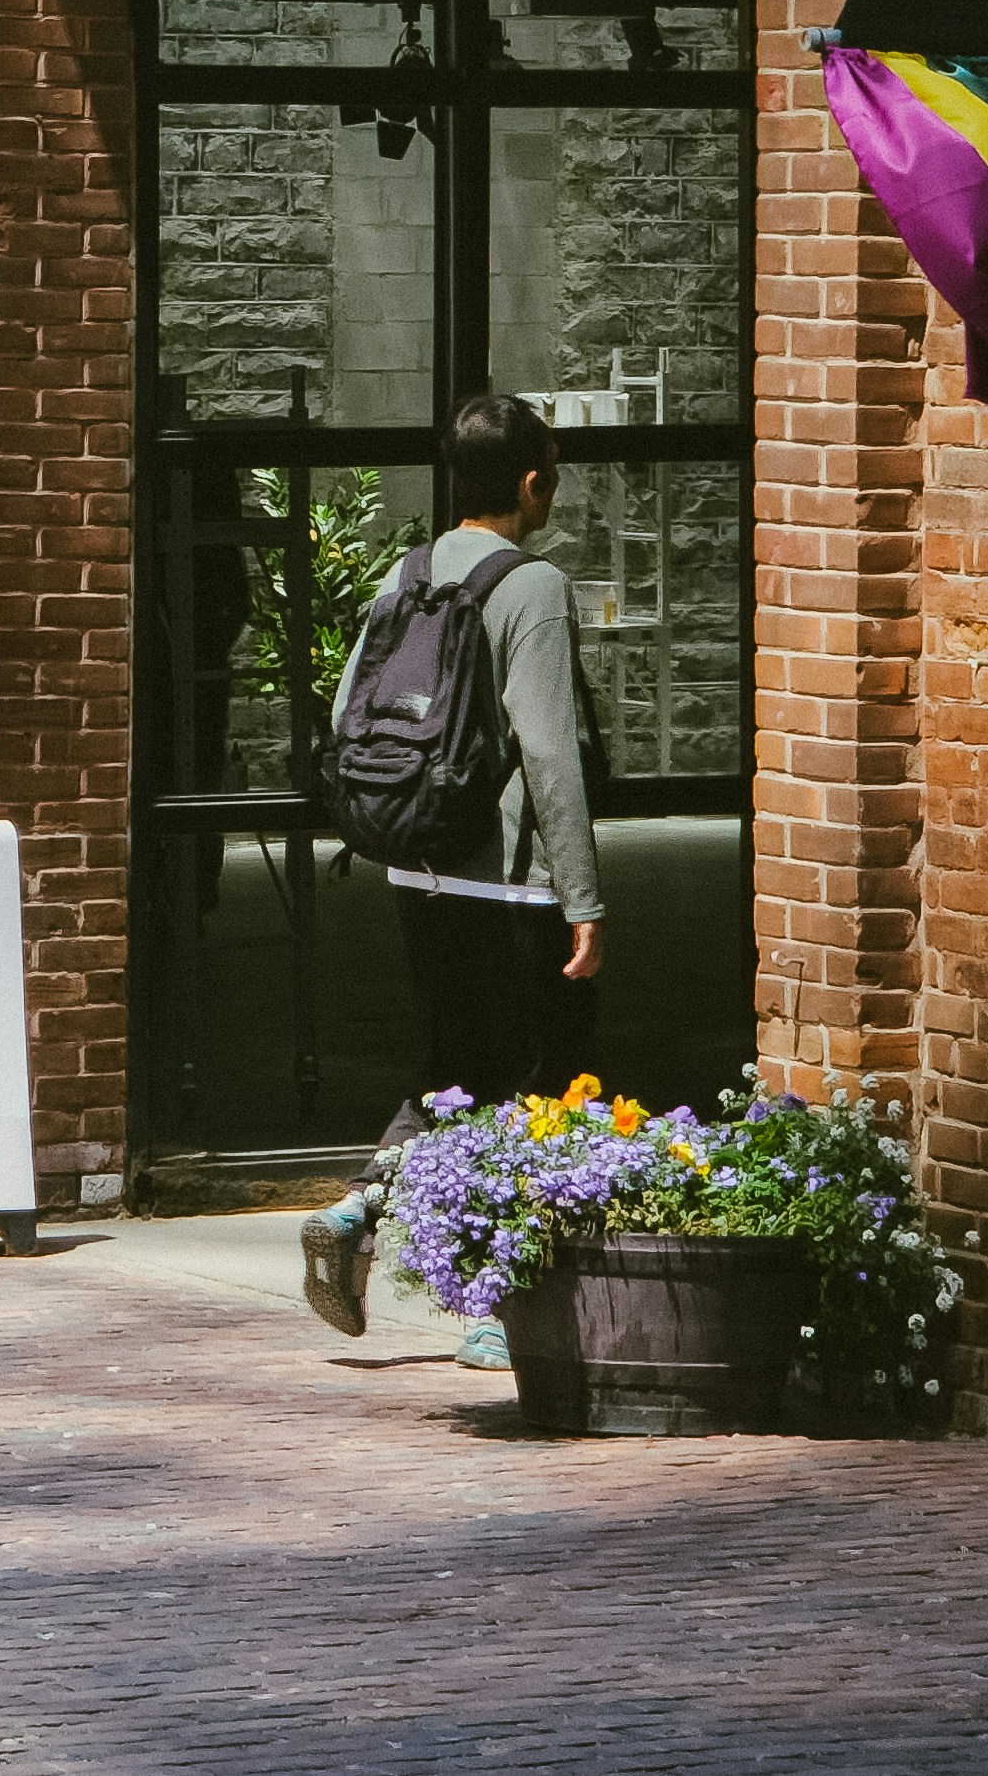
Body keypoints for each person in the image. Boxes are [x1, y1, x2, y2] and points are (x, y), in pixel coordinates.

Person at [306, 392, 606, 1360]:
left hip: (419, 872)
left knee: (446, 1080)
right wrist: (583, 898)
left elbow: (357, 706)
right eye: (549, 471)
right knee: (526, 1092)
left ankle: (359, 1208)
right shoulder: (533, 587)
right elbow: (551, 754)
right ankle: (488, 1304)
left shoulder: (409, 571)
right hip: (508, 884)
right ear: (527, 482)